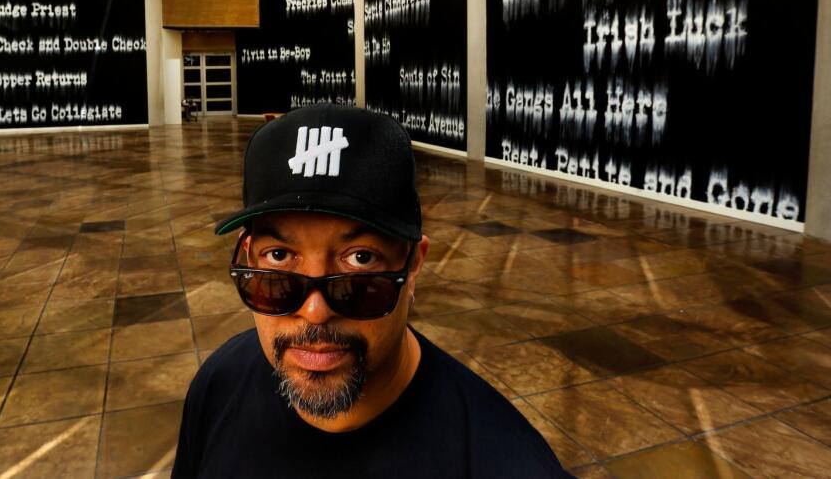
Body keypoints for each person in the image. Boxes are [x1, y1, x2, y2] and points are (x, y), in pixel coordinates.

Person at [173, 103, 571, 478]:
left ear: (412, 265)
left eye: (360, 260)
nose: (315, 312)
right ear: (249, 256)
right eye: (279, 256)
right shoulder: (219, 383)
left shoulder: (504, 461)